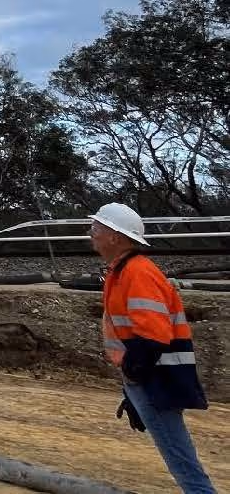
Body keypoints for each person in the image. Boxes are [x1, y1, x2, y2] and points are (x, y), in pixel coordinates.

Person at [90, 203, 217, 493]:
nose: (91, 233)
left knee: (180, 458)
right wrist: (131, 390)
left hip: (156, 377)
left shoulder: (137, 273)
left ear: (115, 237)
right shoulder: (121, 271)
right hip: (149, 376)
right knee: (177, 454)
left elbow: (153, 335)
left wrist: (137, 377)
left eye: (98, 227)